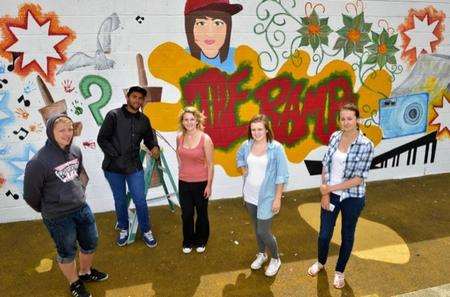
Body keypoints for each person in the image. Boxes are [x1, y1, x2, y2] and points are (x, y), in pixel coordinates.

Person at [24, 114, 108, 297]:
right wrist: (49, 208)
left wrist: (77, 194)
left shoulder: (76, 150)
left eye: (70, 129)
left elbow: (77, 175)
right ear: (50, 132)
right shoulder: (38, 162)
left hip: (82, 208)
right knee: (67, 251)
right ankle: (74, 283)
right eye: (61, 130)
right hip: (58, 217)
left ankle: (85, 272)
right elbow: (30, 195)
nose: (67, 133)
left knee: (90, 242)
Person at [307, 103, 374, 289]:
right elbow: (326, 164)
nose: (346, 122)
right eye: (342, 119)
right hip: (331, 195)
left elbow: (358, 179)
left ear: (357, 120)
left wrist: (329, 188)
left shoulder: (366, 145)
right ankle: (321, 262)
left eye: (350, 118)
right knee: (324, 235)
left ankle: (339, 272)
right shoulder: (335, 137)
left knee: (347, 235)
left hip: (353, 198)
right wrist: (325, 191)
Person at [97, 86, 160, 248]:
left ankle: (146, 230)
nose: (137, 101)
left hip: (134, 167)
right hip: (113, 168)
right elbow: (102, 139)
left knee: (140, 200)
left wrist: (154, 147)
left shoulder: (144, 120)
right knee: (120, 200)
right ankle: (124, 228)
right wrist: (116, 156)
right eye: (134, 97)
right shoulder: (113, 115)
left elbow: (149, 140)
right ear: (128, 97)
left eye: (140, 98)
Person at [236, 114, 289, 277]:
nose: (256, 132)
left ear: (267, 130)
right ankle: (262, 254)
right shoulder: (247, 145)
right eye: (253, 129)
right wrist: (242, 168)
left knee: (263, 231)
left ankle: (275, 258)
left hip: (268, 196)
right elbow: (239, 157)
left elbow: (282, 175)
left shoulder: (276, 148)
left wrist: (277, 198)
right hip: (250, 195)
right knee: (256, 229)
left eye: (260, 129)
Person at [176, 106, 214, 254]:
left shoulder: (206, 139)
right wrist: (182, 168)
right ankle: (188, 240)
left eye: (192, 119)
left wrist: (209, 185)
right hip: (184, 182)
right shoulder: (179, 137)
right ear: (182, 121)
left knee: (201, 213)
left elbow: (210, 165)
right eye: (186, 119)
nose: (189, 122)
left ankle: (201, 240)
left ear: (197, 120)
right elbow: (179, 154)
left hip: (201, 182)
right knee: (186, 213)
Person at [184, 0, 242, 74]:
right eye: (201, 23)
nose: (210, 33)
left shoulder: (239, 58)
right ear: (189, 27)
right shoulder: (183, 58)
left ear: (228, 27)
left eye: (217, 23)